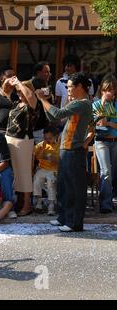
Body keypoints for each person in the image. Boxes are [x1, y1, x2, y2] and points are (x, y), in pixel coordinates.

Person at [36, 72, 94, 232]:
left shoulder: (83, 103)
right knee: (63, 186)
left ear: (80, 87)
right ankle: (63, 218)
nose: (67, 89)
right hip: (66, 149)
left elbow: (57, 114)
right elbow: (54, 118)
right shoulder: (76, 102)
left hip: (74, 151)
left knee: (74, 188)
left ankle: (74, 223)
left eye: (70, 87)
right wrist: (45, 101)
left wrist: (42, 99)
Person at [5, 76, 38, 216]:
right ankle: (18, 202)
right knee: (15, 174)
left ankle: (27, 204)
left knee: (24, 173)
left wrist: (20, 83)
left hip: (23, 140)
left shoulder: (31, 105)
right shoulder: (16, 103)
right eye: (18, 91)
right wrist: (9, 82)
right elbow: (5, 91)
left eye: (21, 91)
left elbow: (31, 97)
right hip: (10, 139)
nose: (19, 94)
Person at [92, 74, 117, 213]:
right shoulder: (95, 104)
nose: (109, 92)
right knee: (106, 171)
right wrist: (102, 104)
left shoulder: (116, 105)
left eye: (112, 89)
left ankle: (111, 198)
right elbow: (93, 125)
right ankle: (105, 204)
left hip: (115, 141)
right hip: (101, 142)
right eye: (106, 89)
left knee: (113, 173)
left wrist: (108, 123)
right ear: (101, 90)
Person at [22, 61, 53, 144]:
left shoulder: (46, 87)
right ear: (38, 72)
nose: (49, 74)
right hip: (29, 128)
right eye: (46, 72)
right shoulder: (27, 85)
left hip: (43, 128)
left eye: (49, 72)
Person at [33, 126, 60, 215]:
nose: (47, 140)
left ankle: (51, 204)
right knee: (37, 179)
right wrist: (40, 153)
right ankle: (39, 201)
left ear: (56, 136)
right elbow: (35, 155)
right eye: (45, 138)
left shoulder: (59, 146)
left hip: (54, 170)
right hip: (42, 168)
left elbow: (61, 160)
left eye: (50, 138)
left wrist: (54, 159)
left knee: (51, 183)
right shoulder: (41, 145)